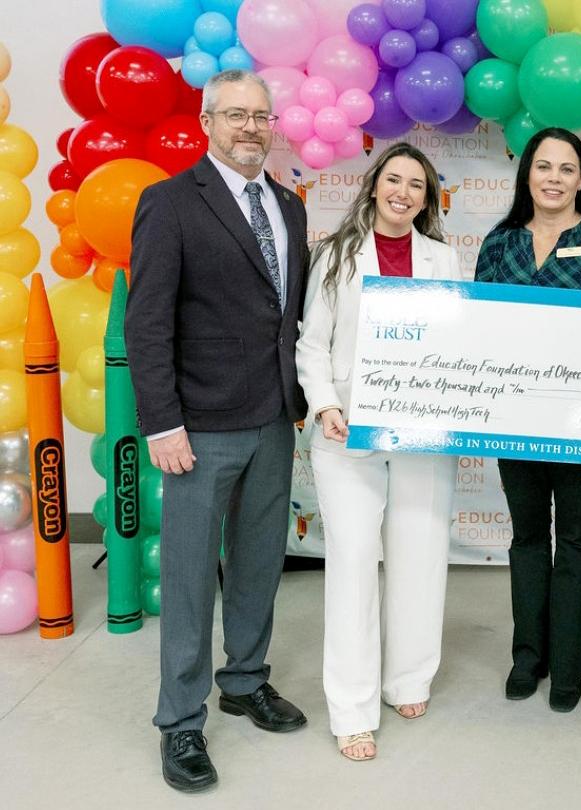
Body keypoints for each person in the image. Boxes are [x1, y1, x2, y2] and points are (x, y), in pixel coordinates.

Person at [126, 69, 310, 793]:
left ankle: (245, 681)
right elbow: (147, 323)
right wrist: (163, 422)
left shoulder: (288, 206)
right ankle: (180, 720)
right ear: (207, 122)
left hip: (273, 418)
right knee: (190, 575)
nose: (250, 128)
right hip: (198, 426)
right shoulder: (170, 202)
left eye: (261, 116)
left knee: (261, 561)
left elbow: (287, 315)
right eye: (236, 115)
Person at [295, 143, 460, 762]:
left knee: (421, 555)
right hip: (347, 434)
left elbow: (460, 342)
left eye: (417, 185)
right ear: (373, 186)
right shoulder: (336, 254)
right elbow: (312, 343)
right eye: (394, 179)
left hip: (422, 433)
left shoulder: (444, 258)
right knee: (354, 563)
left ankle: (408, 681)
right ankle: (352, 709)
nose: (403, 192)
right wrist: (324, 404)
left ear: (427, 199)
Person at [474, 128, 581, 713]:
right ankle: (527, 656)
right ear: (527, 174)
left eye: (567, 169)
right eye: (544, 166)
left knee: (575, 541)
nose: (554, 178)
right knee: (525, 539)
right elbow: (477, 330)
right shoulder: (499, 242)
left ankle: (568, 666)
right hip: (514, 420)